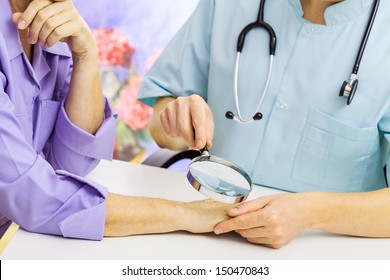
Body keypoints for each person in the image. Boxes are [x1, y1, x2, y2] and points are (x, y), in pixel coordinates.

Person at [139, 0, 390, 249]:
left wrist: (313, 212)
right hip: (207, 229)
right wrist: (179, 122)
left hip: (325, 250)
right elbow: (162, 130)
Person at [0, 0, 232, 241]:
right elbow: (32, 196)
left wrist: (87, 54)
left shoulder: (50, 27)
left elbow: (71, 165)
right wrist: (185, 214)